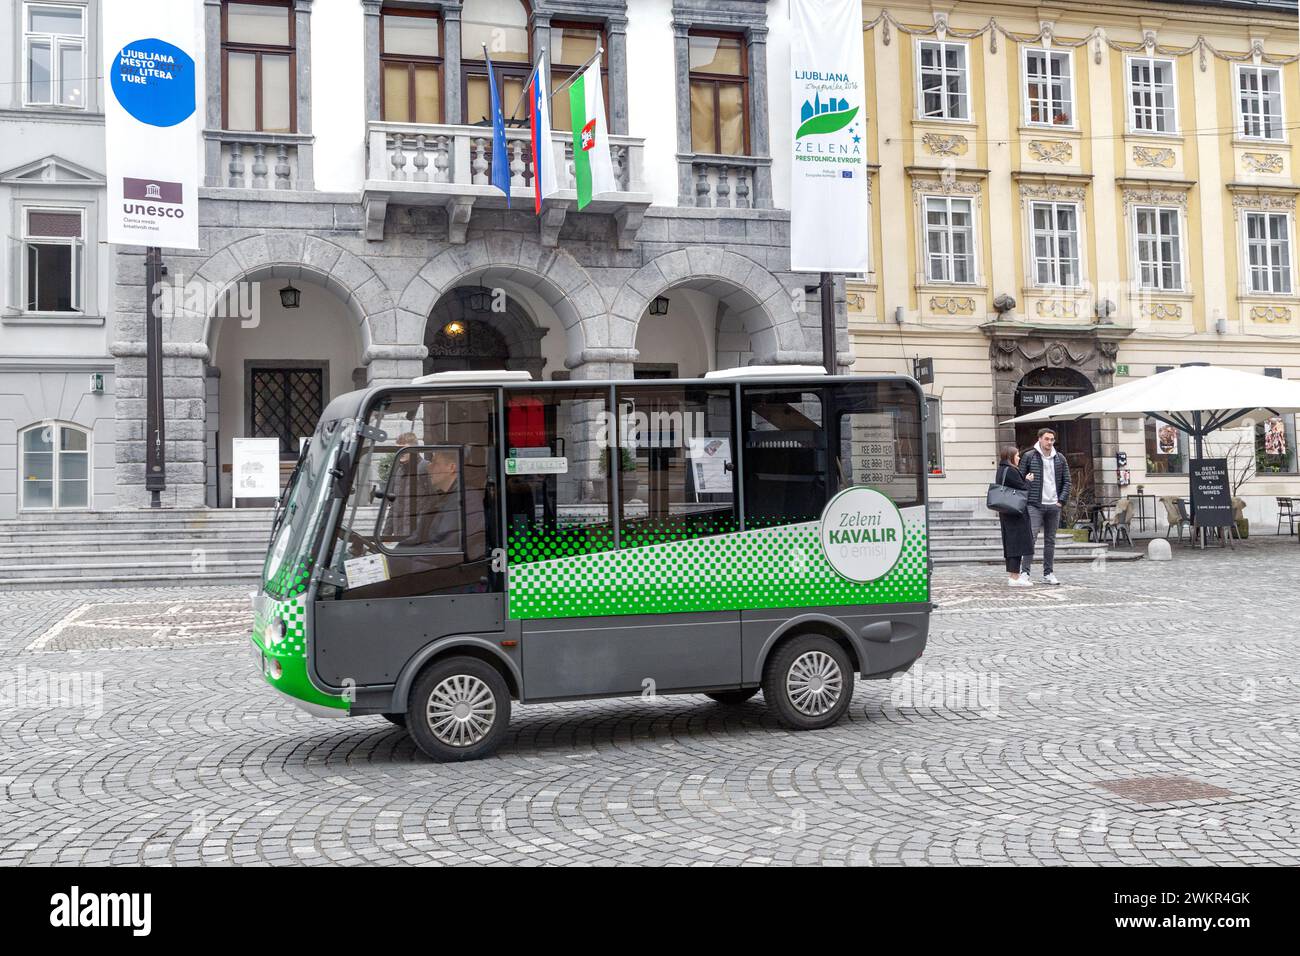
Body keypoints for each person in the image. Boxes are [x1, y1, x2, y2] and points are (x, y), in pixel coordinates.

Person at [1019, 427, 1071, 585]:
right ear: (1040, 439)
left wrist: (1061, 501)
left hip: (1054, 505)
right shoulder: (1029, 456)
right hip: (1034, 504)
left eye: (1052, 439)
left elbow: (1067, 481)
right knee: (1031, 538)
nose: (1050, 442)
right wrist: (1027, 482)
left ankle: (1048, 573)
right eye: (1047, 439)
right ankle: (1025, 573)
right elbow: (1019, 481)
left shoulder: (1060, 458)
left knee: (1050, 541)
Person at [996, 446, 1034, 587]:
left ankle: (1014, 575)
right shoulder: (1011, 470)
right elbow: (1023, 490)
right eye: (1017, 455)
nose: (1019, 458)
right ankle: (1014, 576)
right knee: (1017, 544)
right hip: (1015, 513)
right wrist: (1028, 480)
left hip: (1007, 512)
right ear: (1011, 456)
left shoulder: (1001, 469)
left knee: (1011, 543)